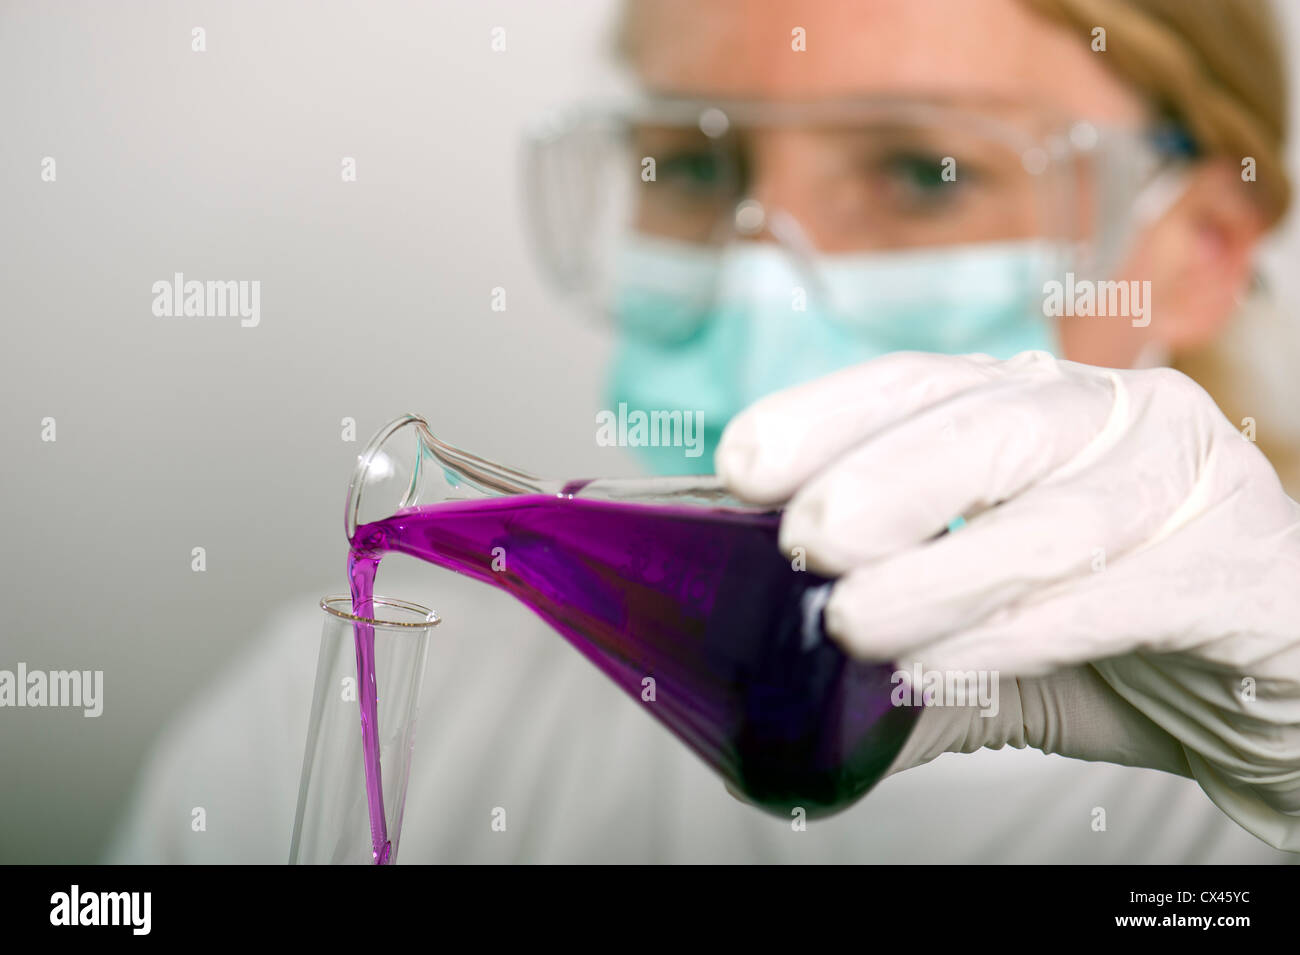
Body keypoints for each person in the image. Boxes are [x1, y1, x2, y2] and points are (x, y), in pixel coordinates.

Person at [108, 0, 1300, 863]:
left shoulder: (1272, 726)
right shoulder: (339, 719)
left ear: (1193, 253)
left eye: (924, 172)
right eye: (689, 162)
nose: (758, 278)